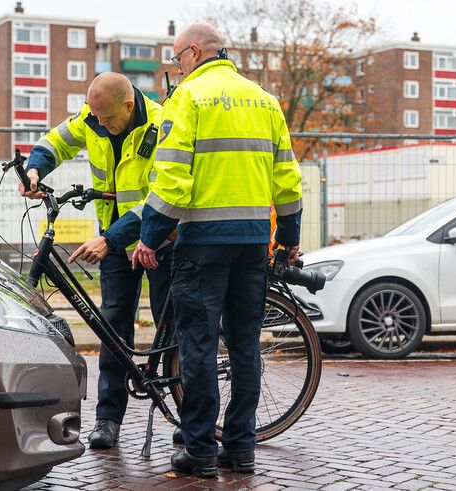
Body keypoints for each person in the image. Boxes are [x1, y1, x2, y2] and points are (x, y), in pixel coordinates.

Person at [132, 22, 303, 477]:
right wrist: (288, 235)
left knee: (199, 346)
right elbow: (287, 178)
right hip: (251, 242)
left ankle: (201, 451)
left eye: (176, 59)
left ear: (192, 52)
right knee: (246, 345)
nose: (176, 68)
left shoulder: (188, 98)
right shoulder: (264, 101)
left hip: (203, 244)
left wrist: (150, 237)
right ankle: (241, 449)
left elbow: (171, 177)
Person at [19, 72, 174, 449]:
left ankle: (187, 416)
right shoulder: (93, 116)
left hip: (157, 239)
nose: (99, 125)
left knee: (172, 326)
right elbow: (57, 140)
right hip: (115, 242)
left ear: (127, 104)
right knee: (112, 325)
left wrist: (110, 239)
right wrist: (36, 168)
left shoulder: (161, 124)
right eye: (95, 117)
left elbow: (157, 198)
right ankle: (108, 420)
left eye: (107, 119)